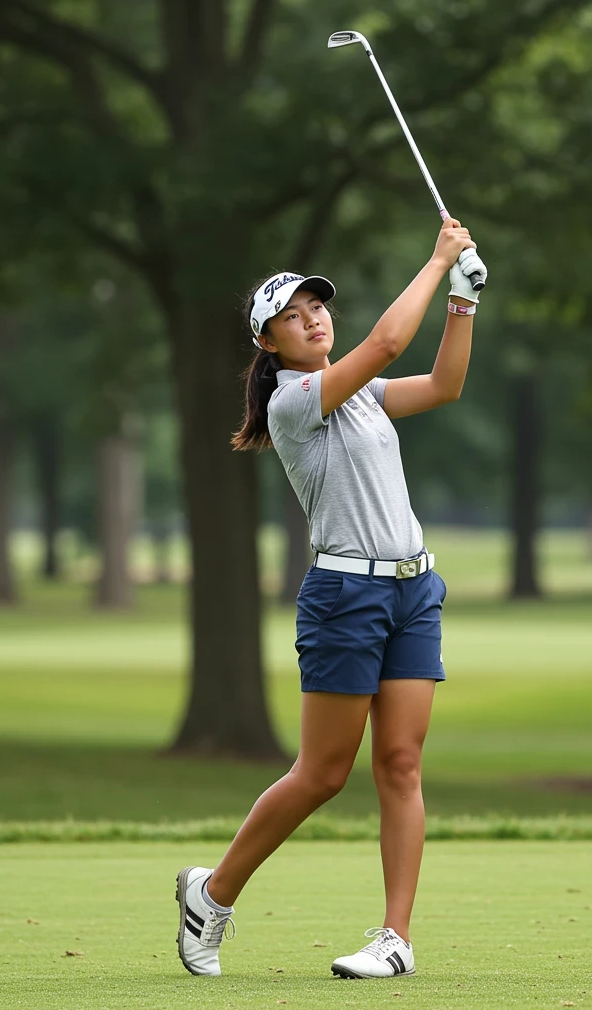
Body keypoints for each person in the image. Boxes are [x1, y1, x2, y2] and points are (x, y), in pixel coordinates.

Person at [176, 218, 485, 979]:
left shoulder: (366, 399)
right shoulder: (295, 402)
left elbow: (445, 385)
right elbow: (382, 344)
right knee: (322, 774)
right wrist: (439, 258)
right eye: (293, 314)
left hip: (414, 589)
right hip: (345, 595)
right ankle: (210, 896)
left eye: (318, 306)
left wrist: (462, 308)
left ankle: (395, 939)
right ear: (270, 344)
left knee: (403, 766)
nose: (313, 317)